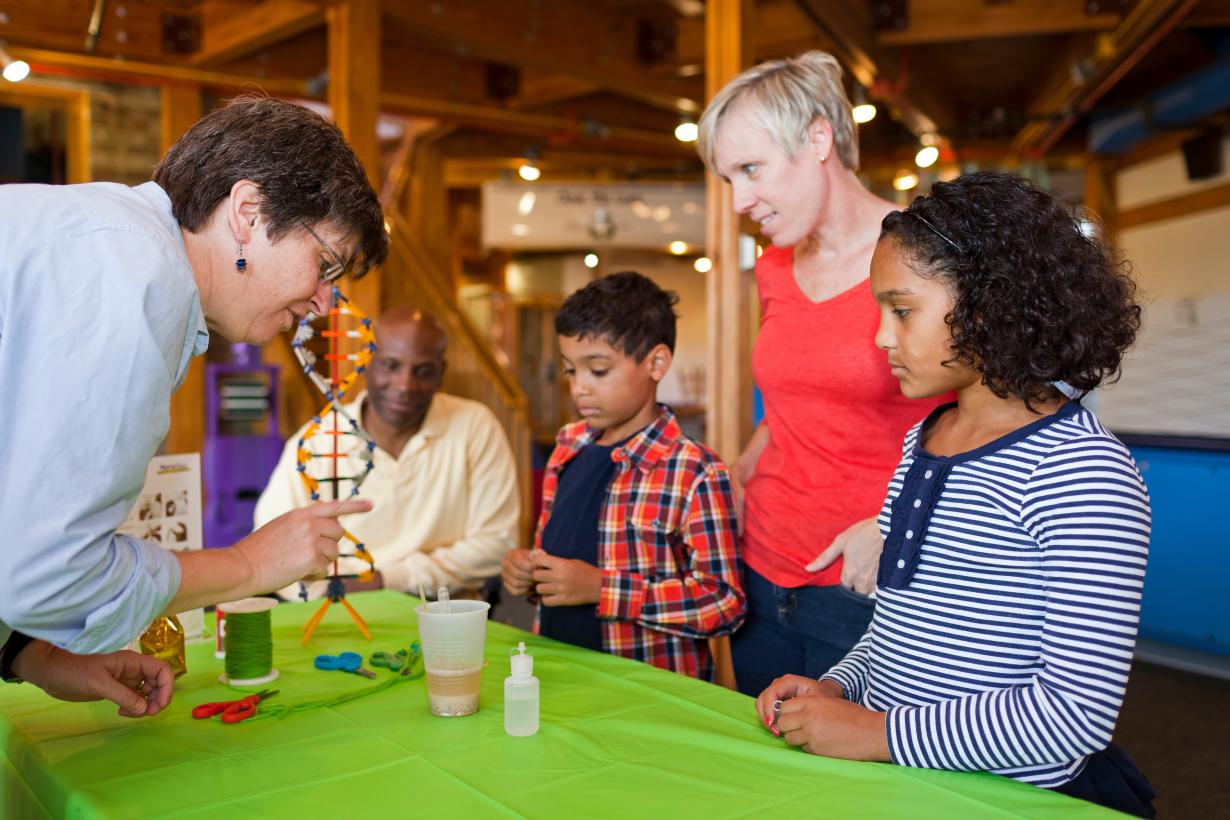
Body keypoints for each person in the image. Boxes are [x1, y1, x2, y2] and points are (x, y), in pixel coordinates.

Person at [754, 172, 1155, 818]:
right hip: (912, 784)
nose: (882, 338)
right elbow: (898, 631)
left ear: (991, 303)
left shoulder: (1082, 472)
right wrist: (835, 687)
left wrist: (874, 734)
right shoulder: (924, 441)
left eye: (902, 310)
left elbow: (1073, 717)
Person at [0, 96, 387, 714]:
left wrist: (26, 653)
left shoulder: (110, 246)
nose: (323, 303)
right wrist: (246, 564)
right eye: (325, 265)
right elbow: (49, 573)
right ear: (248, 212)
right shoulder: (134, 279)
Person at [696, 51, 948, 695]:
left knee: (864, 787)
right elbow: (790, 409)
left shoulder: (925, 252)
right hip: (761, 566)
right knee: (766, 773)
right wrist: (739, 473)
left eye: (750, 169)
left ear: (816, 139)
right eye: (729, 179)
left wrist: (895, 524)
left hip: (872, 579)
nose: (739, 201)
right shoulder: (776, 268)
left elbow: (991, 418)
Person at [500, 272, 745, 682]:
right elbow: (557, 563)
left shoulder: (693, 471)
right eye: (569, 371)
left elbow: (723, 605)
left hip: (647, 697)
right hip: (560, 677)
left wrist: (603, 589)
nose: (579, 388)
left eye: (598, 370)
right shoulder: (566, 448)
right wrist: (530, 573)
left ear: (656, 363)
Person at [254, 306, 520, 598]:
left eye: (423, 371)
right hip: (340, 609)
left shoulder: (475, 427)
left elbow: (499, 545)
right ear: (365, 362)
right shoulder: (315, 444)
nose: (405, 385)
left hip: (447, 615)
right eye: (391, 366)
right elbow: (272, 553)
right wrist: (326, 593)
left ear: (441, 372)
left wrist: (384, 579)